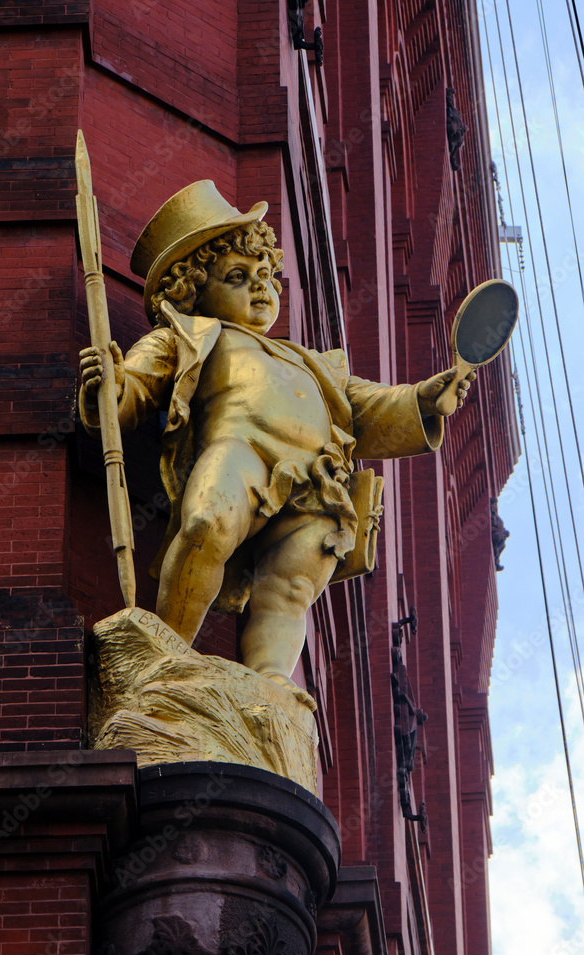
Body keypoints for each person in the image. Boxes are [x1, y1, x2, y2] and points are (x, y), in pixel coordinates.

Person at [79, 181, 471, 703]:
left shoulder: (312, 362)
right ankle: (167, 657)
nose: (260, 288)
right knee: (206, 523)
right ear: (192, 290)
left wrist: (424, 397)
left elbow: (369, 407)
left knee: (290, 589)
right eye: (238, 277)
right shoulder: (190, 334)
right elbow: (133, 388)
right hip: (241, 451)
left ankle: (271, 684)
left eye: (266, 275)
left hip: (318, 484)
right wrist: (109, 386)